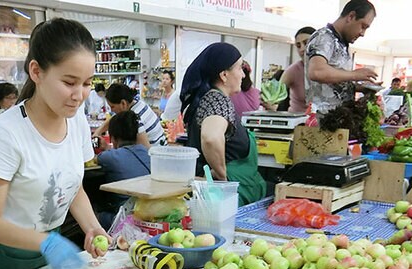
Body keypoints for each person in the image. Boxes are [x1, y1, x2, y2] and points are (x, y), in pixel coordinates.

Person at [0, 19, 109, 269]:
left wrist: (92, 227)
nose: (79, 95)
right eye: (69, 82)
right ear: (37, 71)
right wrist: (45, 242)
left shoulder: (77, 121)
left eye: (87, 83)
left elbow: (71, 186)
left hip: (44, 264)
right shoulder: (6, 132)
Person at [181, 42, 265, 206]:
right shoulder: (216, 99)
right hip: (227, 198)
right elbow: (211, 137)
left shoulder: (209, 98)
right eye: (240, 68)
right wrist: (221, 174)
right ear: (224, 75)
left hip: (228, 198)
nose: (243, 74)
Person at [305, 0, 378, 113]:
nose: (362, 33)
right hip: (323, 121)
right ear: (351, 16)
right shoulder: (324, 37)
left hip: (339, 119)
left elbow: (332, 82)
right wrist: (354, 75)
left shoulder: (341, 42)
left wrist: (359, 87)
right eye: (363, 26)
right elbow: (316, 72)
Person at [95, 110, 151, 229]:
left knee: (94, 213)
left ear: (113, 138)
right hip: (149, 213)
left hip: (125, 220)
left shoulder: (109, 157)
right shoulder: (146, 152)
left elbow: (96, 159)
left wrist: (105, 148)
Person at [93, 83, 167, 148]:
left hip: (153, 155)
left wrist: (107, 147)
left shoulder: (135, 118)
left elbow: (143, 152)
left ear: (123, 103)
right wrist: (98, 132)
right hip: (161, 146)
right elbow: (115, 118)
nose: (112, 111)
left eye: (113, 107)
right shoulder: (138, 103)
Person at [281, 26, 316, 113]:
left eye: (306, 43)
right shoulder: (292, 71)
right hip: (297, 123)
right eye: (298, 45)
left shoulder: (330, 68)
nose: (302, 49)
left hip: (323, 123)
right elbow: (276, 95)